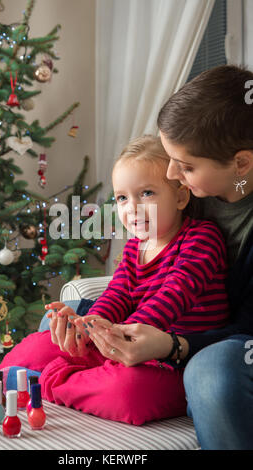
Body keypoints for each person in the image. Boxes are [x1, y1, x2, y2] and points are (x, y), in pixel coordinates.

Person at [0, 136, 230, 426]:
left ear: (180, 197)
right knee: (38, 345)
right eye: (122, 198)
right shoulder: (136, 248)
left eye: (146, 193)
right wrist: (88, 326)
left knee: (130, 392)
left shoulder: (201, 238)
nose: (132, 207)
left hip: (173, 360)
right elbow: (117, 294)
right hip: (122, 344)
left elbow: (171, 298)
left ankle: (48, 382)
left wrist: (112, 338)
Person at [81, 65, 253, 449]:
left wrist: (172, 345)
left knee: (212, 370)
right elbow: (135, 281)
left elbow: (243, 327)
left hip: (229, 340)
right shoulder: (194, 193)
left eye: (186, 166)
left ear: (241, 164)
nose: (173, 174)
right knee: (67, 316)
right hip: (172, 323)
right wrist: (94, 323)